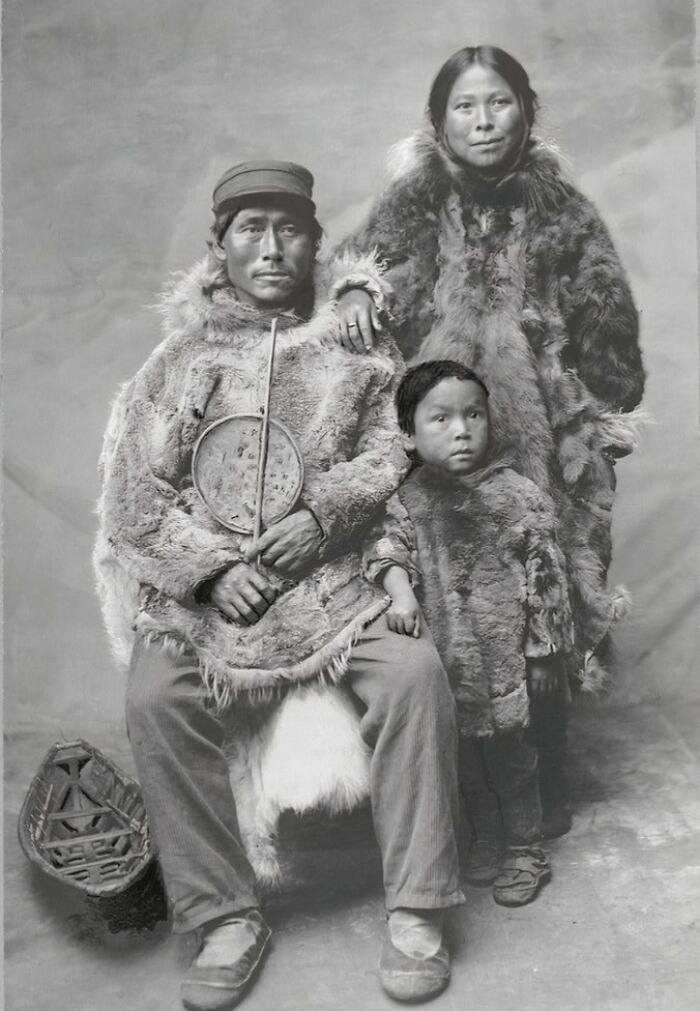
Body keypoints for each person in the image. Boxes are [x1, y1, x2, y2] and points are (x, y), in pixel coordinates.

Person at [93, 160, 464, 1010]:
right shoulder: (181, 359)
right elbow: (134, 498)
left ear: (315, 242)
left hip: (334, 580)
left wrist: (325, 517)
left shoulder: (356, 348)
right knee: (155, 697)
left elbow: (392, 450)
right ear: (219, 246)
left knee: (414, 676)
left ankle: (418, 904)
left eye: (289, 229)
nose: (271, 248)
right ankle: (224, 914)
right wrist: (212, 571)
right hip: (214, 595)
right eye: (251, 230)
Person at [335, 44, 646, 841]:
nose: (483, 121)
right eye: (465, 106)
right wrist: (356, 291)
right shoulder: (410, 205)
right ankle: (468, 783)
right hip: (436, 447)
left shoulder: (564, 212)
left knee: (547, 599)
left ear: (527, 112)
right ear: (438, 121)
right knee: (450, 600)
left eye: (499, 102)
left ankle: (544, 773)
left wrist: (597, 424)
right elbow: (358, 274)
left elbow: (608, 326)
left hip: (545, 443)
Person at [364, 359, 573, 906]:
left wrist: (545, 654)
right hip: (445, 669)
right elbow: (385, 550)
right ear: (408, 434)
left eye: (473, 415)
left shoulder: (517, 495)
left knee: (512, 763)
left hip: (506, 668)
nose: (461, 430)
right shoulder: (407, 501)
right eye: (441, 419)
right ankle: (484, 839)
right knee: (464, 767)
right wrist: (401, 593)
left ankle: (524, 848)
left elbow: (547, 579)